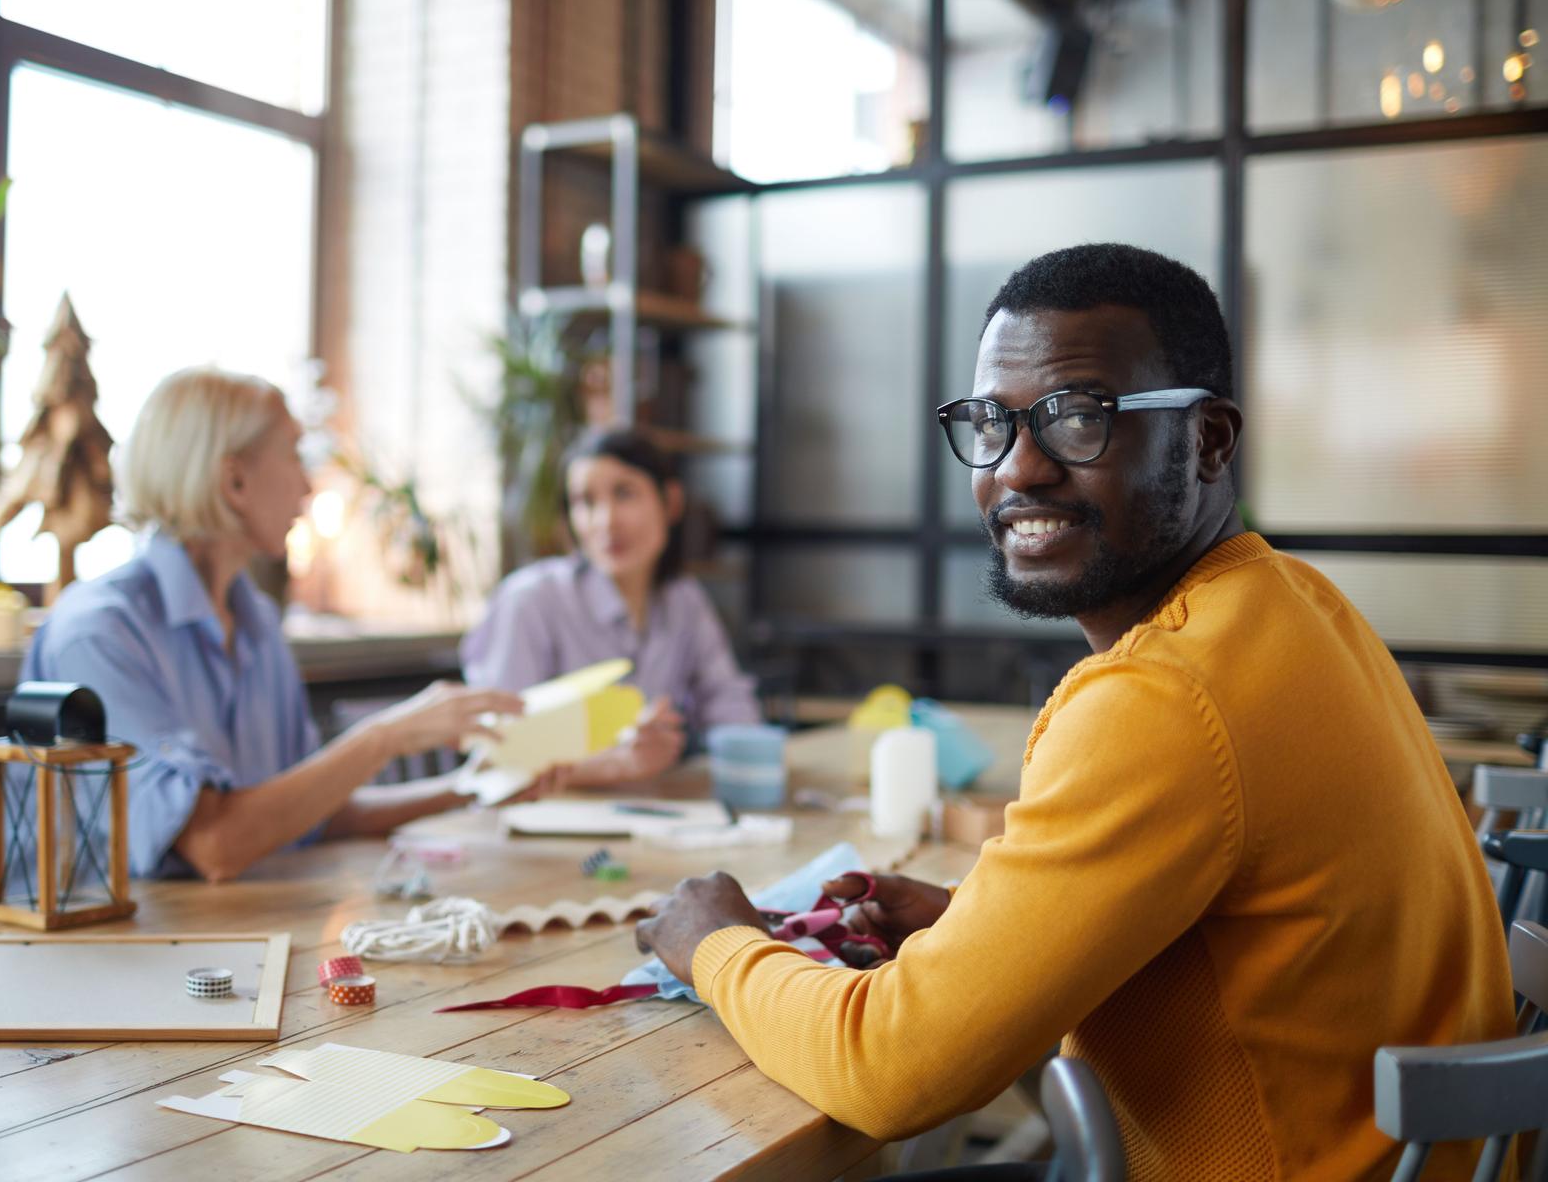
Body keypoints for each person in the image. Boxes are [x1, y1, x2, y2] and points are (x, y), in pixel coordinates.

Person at [637, 243, 1515, 1180]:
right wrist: (973, 930)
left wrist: (716, 945)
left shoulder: (1162, 698)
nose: (1018, 470)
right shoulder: (1295, 602)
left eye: (1076, 417)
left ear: (1210, 440)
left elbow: (891, 1072)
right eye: (991, 422)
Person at [19, 366, 523, 882]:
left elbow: (310, 816)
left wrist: (479, 788)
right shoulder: (99, 634)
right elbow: (214, 845)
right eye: (294, 454)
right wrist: (386, 738)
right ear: (234, 481)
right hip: (89, 949)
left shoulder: (254, 619)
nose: (307, 486)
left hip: (220, 931)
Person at [461, 427, 759, 787]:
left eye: (625, 494)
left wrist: (749, 755)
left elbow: (729, 704)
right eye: (585, 502)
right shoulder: (530, 601)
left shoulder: (684, 599)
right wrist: (619, 764)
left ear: (672, 501)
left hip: (650, 814)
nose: (606, 521)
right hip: (545, 824)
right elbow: (500, 757)